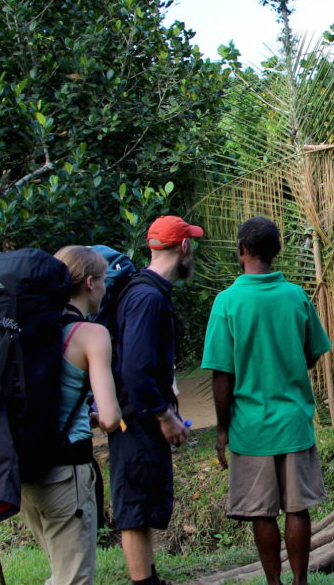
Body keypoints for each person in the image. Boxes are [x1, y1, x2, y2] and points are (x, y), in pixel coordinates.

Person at [203, 217, 331, 585]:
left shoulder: (227, 302)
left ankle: (273, 582)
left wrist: (223, 429)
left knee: (262, 512)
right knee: (297, 507)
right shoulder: (295, 296)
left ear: (241, 250)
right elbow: (312, 353)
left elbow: (222, 375)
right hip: (293, 421)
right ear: (277, 252)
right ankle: (300, 581)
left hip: (250, 426)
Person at [20, 246, 123, 585]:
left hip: (27, 470)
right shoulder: (91, 335)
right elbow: (109, 417)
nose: (106, 288)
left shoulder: (29, 326)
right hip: (68, 472)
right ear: (91, 282)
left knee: (60, 571)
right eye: (105, 280)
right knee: (74, 578)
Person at [109, 215, 201, 585]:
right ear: (183, 247)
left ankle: (149, 578)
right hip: (137, 418)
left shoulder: (144, 290)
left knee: (144, 502)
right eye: (190, 243)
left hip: (139, 415)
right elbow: (135, 368)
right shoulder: (147, 297)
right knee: (134, 505)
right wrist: (165, 415)